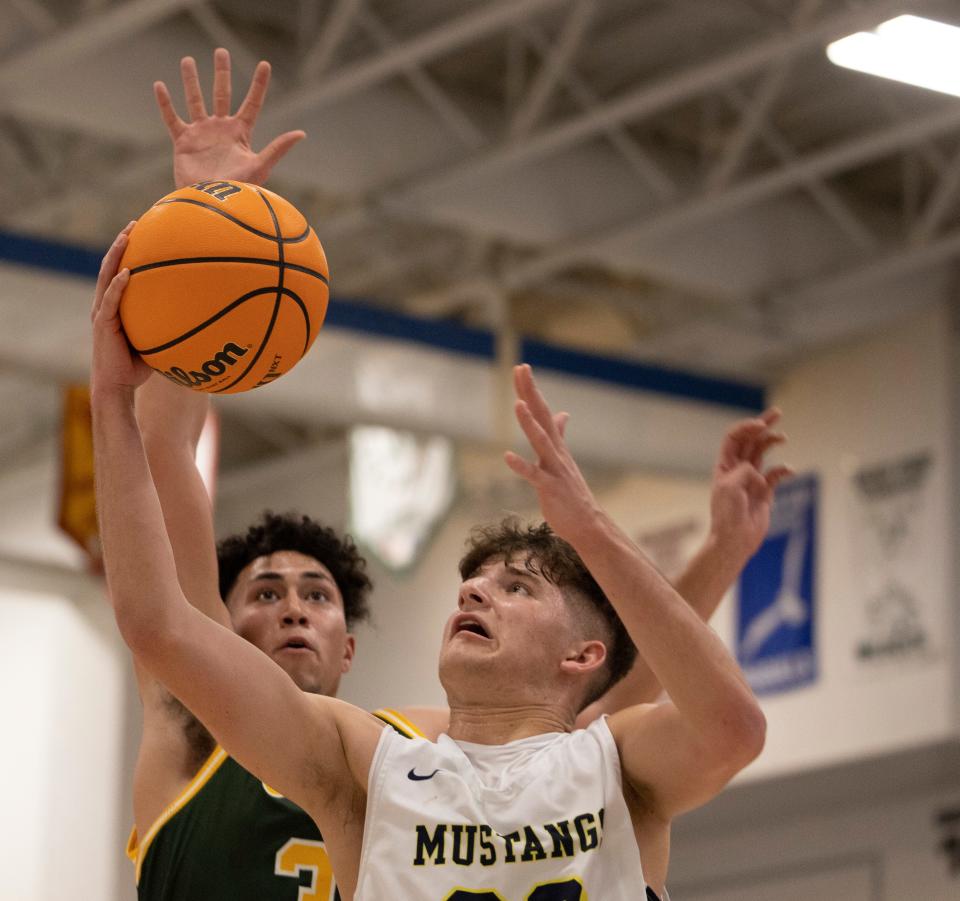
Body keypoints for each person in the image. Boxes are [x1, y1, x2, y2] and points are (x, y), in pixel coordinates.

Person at [117, 49, 791, 901]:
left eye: (317, 593)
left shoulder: (409, 745)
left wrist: (711, 553)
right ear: (222, 619)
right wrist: (205, 230)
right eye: (262, 592)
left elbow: (611, 682)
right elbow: (164, 490)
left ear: (354, 646)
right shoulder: (204, 730)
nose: (290, 605)